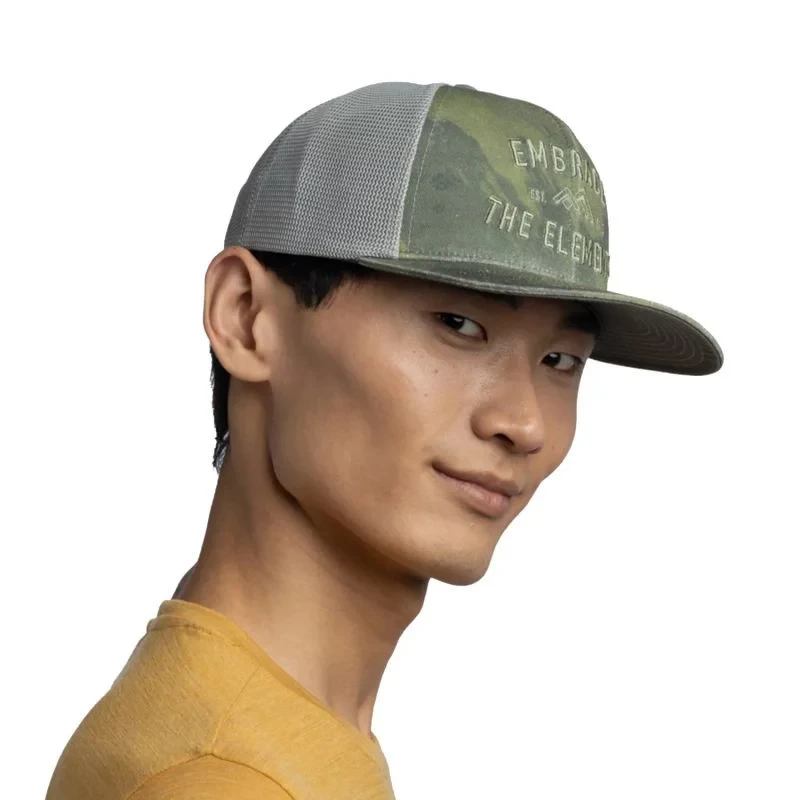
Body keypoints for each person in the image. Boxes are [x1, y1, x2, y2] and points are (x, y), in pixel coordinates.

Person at [45, 81, 724, 800]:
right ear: (243, 317)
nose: (525, 423)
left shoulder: (269, 730)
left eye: (560, 360)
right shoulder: (223, 778)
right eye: (458, 325)